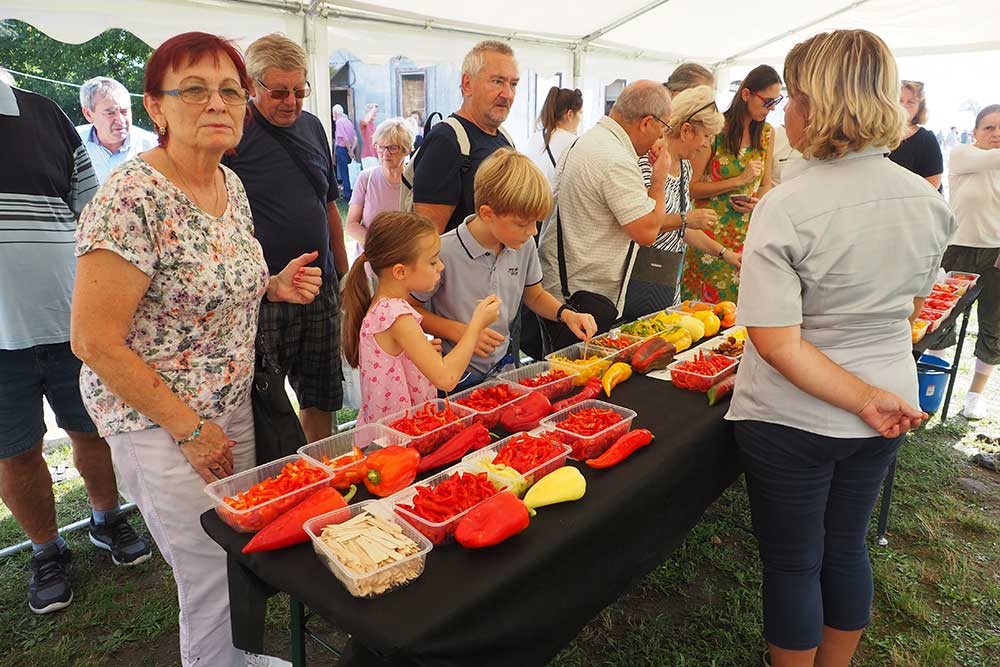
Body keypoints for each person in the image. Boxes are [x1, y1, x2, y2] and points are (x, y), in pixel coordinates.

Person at [71, 32, 321, 667]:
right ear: (156, 106)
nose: (217, 103)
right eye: (195, 89)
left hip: (230, 405)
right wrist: (188, 429)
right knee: (208, 568)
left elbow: (201, 286)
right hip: (161, 424)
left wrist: (271, 286)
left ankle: (237, 658)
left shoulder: (229, 185)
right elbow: (93, 339)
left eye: (230, 90)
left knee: (237, 550)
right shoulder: (132, 197)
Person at [726, 30, 954, 667]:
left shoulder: (787, 203)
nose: (785, 113)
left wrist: (864, 398)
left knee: (795, 563)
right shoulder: (924, 200)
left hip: (797, 414)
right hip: (885, 399)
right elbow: (909, 310)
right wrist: (874, 395)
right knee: (847, 544)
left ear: (816, 103)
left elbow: (774, 342)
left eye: (792, 97)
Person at [0, 74, 151, 616]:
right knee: (14, 454)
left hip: (72, 321)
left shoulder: (46, 115)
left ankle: (107, 516)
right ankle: (45, 550)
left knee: (93, 429)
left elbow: (94, 215)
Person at [223, 33, 348, 442]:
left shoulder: (313, 127)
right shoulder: (232, 132)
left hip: (320, 285)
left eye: (299, 90)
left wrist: (343, 274)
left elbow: (329, 203)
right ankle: (279, 479)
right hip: (267, 292)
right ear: (251, 87)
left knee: (322, 393)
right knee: (265, 399)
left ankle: (321, 470)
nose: (291, 102)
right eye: (278, 92)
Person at [536, 80, 712, 349]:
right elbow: (648, 232)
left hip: (569, 288)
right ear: (646, 123)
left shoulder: (592, 140)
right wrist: (659, 179)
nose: (661, 138)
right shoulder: (615, 159)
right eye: (662, 128)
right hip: (581, 297)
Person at [412, 149, 597, 390]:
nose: (533, 231)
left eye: (535, 222)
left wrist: (567, 314)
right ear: (487, 213)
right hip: (455, 376)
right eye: (522, 224)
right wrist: (462, 332)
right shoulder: (444, 251)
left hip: (503, 369)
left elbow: (535, 295)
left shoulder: (524, 244)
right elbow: (411, 310)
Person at [341, 212, 501, 425]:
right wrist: (475, 326)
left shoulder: (386, 307)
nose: (441, 267)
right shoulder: (396, 315)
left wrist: (419, 357)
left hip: (393, 435)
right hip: (398, 442)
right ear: (400, 271)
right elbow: (446, 378)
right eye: (433, 262)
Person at [681, 64, 781, 304]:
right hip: (708, 236)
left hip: (746, 235)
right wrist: (739, 180)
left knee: (740, 314)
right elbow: (692, 187)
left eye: (776, 101)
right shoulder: (715, 131)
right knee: (704, 313)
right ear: (746, 94)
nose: (772, 108)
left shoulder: (767, 133)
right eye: (767, 101)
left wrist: (757, 202)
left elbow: (765, 183)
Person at [625, 85, 727, 318]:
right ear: (687, 131)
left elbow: (684, 230)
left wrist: (724, 254)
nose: (706, 145)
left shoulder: (685, 167)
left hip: (667, 284)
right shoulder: (646, 163)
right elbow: (640, 224)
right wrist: (685, 218)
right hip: (638, 282)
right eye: (707, 136)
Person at [927, 104, 1000, 420]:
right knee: (941, 320)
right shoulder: (962, 155)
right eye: (989, 128)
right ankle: (930, 385)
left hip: (996, 254)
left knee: (994, 325)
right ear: (975, 132)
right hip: (957, 249)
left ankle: (975, 395)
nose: (996, 134)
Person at [411, 40, 517, 233]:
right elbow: (427, 241)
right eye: (497, 81)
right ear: (467, 84)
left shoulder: (504, 137)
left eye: (513, 84)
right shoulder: (446, 141)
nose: (508, 94)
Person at [345, 117, 414, 257]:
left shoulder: (414, 183)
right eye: (381, 146)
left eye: (393, 148)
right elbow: (351, 225)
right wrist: (379, 247)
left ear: (407, 150)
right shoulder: (366, 178)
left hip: (403, 265)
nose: (385, 153)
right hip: (369, 266)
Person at [76, 76, 158, 183]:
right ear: (88, 114)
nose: (120, 120)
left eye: (124, 111)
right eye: (110, 113)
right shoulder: (72, 144)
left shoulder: (153, 147)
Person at [888, 80, 943, 190]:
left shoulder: (927, 139)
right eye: (900, 101)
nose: (904, 106)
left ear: (919, 107)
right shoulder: (878, 136)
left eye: (911, 102)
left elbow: (932, 186)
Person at [524, 87, 583, 187]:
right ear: (570, 114)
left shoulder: (534, 139)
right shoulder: (575, 144)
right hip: (557, 202)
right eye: (580, 113)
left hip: (534, 200)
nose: (581, 119)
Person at [333, 103, 358, 200]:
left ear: (335, 113)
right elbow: (355, 138)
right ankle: (353, 194)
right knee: (350, 173)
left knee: (344, 173)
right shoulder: (348, 121)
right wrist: (351, 150)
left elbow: (345, 138)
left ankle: (348, 196)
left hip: (343, 150)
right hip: (349, 149)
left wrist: (349, 151)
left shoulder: (339, 122)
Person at [358, 102, 379, 169]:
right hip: (368, 155)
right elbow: (365, 121)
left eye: (376, 112)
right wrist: (372, 109)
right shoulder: (364, 123)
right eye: (373, 112)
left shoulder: (374, 125)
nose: (375, 114)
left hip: (375, 155)